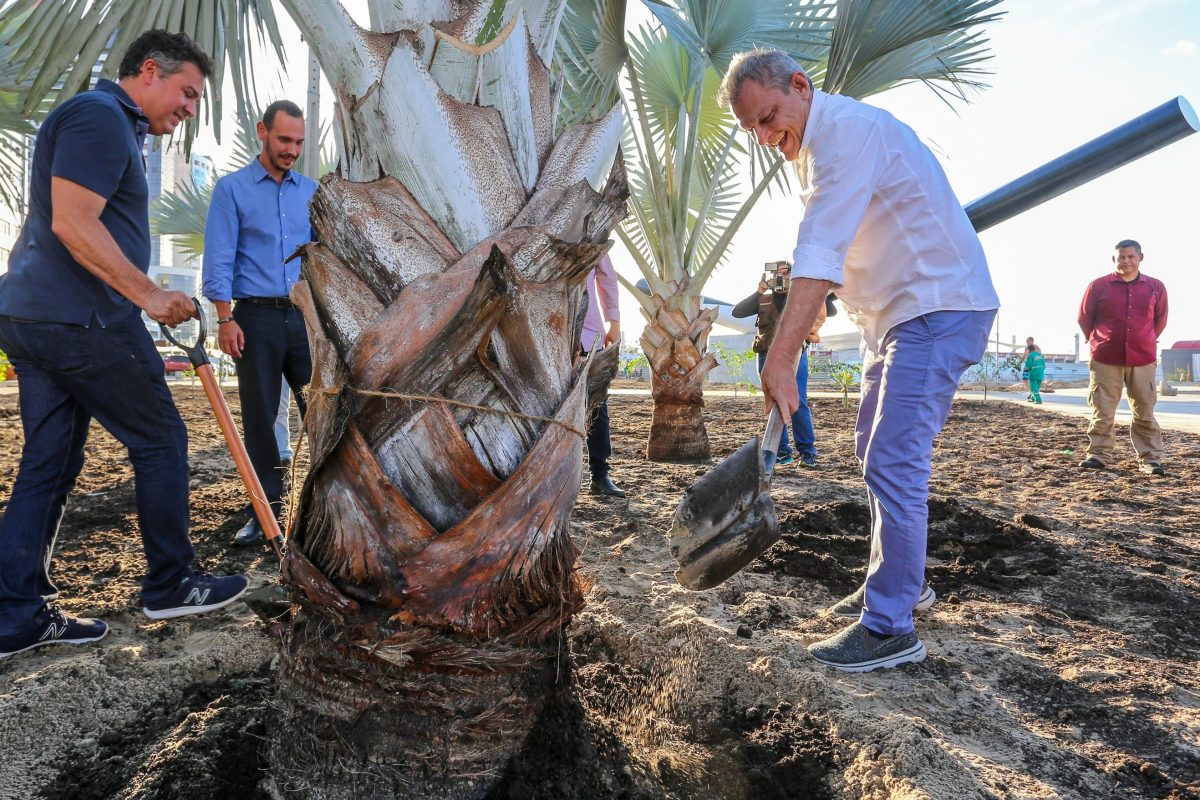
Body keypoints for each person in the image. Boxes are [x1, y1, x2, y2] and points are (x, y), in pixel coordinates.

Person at [720, 49, 999, 672]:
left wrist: (782, 354)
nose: (766, 138)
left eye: (769, 118)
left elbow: (818, 248)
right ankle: (902, 586)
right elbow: (841, 251)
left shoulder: (846, 134)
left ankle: (890, 628)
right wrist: (815, 312)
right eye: (754, 131)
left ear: (799, 85)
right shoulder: (817, 146)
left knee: (894, 460)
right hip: (898, 317)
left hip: (935, 309)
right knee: (873, 447)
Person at [0, 31, 250, 659]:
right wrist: (147, 295)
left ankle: (14, 616)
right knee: (161, 438)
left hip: (38, 316)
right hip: (85, 320)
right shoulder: (100, 116)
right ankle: (171, 581)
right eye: (187, 92)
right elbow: (72, 220)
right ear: (148, 71)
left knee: (49, 463)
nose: (191, 108)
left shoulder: (107, 123)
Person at [202, 101, 318, 544]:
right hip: (254, 320)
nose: (291, 149)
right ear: (263, 133)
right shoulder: (231, 190)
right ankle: (266, 513)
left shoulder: (310, 191)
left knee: (322, 411)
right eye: (284, 139)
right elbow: (220, 256)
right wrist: (224, 318)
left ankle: (327, 506)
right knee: (261, 419)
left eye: (298, 142)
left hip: (305, 319)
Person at [731, 260, 836, 467]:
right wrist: (759, 291)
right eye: (777, 274)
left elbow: (831, 310)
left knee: (799, 401)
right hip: (766, 355)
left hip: (795, 354)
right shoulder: (765, 297)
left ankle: (807, 452)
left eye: (786, 273)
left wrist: (807, 286)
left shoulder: (800, 297)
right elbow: (737, 312)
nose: (781, 278)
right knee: (774, 400)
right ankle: (782, 452)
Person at [1076, 240, 1168, 476]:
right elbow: (1085, 318)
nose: (1126, 261)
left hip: (1143, 358)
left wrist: (1144, 339)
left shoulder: (1155, 287)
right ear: (1114, 259)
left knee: (1144, 410)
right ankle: (1097, 455)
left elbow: (1159, 320)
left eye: (1131, 256)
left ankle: (1150, 460)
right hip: (1106, 358)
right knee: (1102, 410)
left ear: (1140, 258)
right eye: (1121, 257)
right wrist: (1098, 341)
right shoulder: (1098, 286)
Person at [581, 255, 625, 497]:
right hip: (546, 332)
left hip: (589, 334)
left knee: (598, 408)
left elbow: (607, 278)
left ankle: (600, 475)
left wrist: (614, 322)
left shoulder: (590, 223)